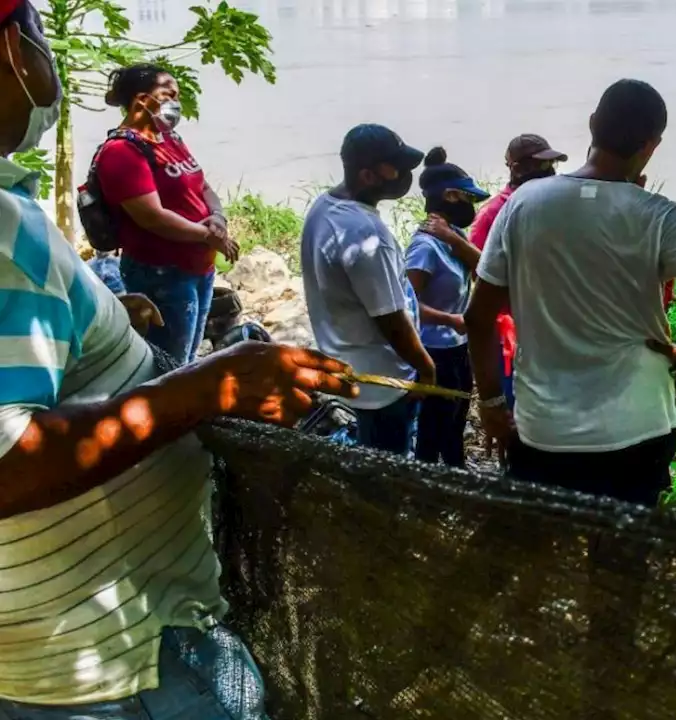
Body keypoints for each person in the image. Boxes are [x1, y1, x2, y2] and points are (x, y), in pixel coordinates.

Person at [0, 2, 358, 716]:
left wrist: (98, 322)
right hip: (120, 663)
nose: (44, 54)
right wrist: (209, 386)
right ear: (7, 50)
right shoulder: (7, 233)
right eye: (34, 28)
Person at [463, 78, 676, 709]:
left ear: (592, 123)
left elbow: (478, 318)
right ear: (651, 146)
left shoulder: (525, 204)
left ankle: (452, 650)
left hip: (543, 429)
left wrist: (491, 405)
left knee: (514, 548)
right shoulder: (659, 217)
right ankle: (605, 688)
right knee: (620, 571)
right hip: (637, 428)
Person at [301, 124, 435, 455]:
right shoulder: (365, 234)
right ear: (368, 175)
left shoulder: (325, 206)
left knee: (365, 456)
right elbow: (390, 319)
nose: (406, 175)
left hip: (351, 367)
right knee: (388, 466)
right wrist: (427, 368)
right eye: (397, 168)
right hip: (384, 385)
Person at [95, 62, 240, 363]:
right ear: (141, 101)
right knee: (168, 363)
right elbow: (152, 216)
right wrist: (208, 236)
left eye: (177, 95)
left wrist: (217, 217)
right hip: (162, 275)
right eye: (167, 94)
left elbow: (203, 186)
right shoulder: (121, 152)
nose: (175, 102)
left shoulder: (170, 140)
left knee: (187, 357)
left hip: (199, 268)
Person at [469, 133, 568, 409]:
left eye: (551, 165)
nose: (550, 172)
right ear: (517, 168)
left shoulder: (554, 204)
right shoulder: (494, 213)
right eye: (542, 166)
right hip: (512, 330)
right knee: (516, 407)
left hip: (553, 323)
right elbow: (477, 272)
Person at [406, 147, 487, 466]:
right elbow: (406, 304)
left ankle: (457, 473)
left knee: (456, 419)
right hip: (433, 351)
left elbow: (485, 269)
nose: (472, 207)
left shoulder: (453, 235)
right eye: (469, 199)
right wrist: (451, 320)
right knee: (432, 429)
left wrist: (454, 240)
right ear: (451, 196)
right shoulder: (424, 247)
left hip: (457, 347)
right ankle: (428, 485)